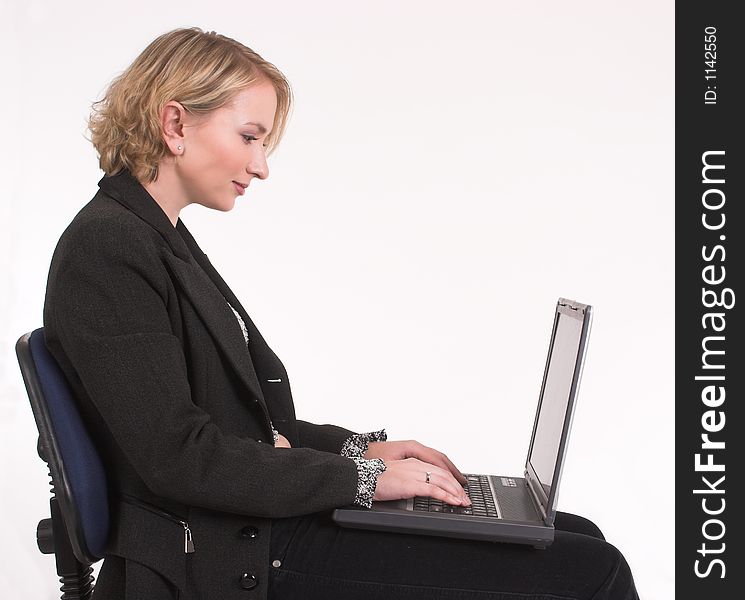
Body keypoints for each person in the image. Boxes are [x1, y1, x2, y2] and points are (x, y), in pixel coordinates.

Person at [43, 27, 640, 600]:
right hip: (227, 557)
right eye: (250, 137)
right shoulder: (108, 249)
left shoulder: (158, 238)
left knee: (576, 536)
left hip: (251, 527)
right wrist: (364, 483)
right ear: (175, 123)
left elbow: (245, 427)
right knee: (594, 572)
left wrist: (363, 453)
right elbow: (183, 457)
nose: (261, 166)